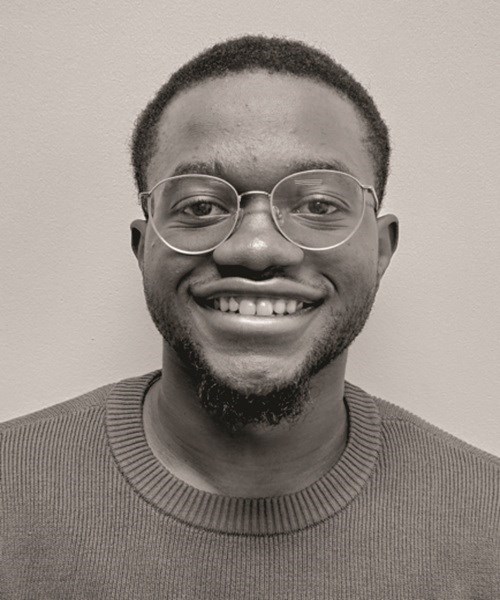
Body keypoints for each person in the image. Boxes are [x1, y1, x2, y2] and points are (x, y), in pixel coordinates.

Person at [1, 35, 498, 599]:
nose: (257, 250)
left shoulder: (488, 526)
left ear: (380, 249)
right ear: (144, 248)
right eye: (200, 206)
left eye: (318, 205)